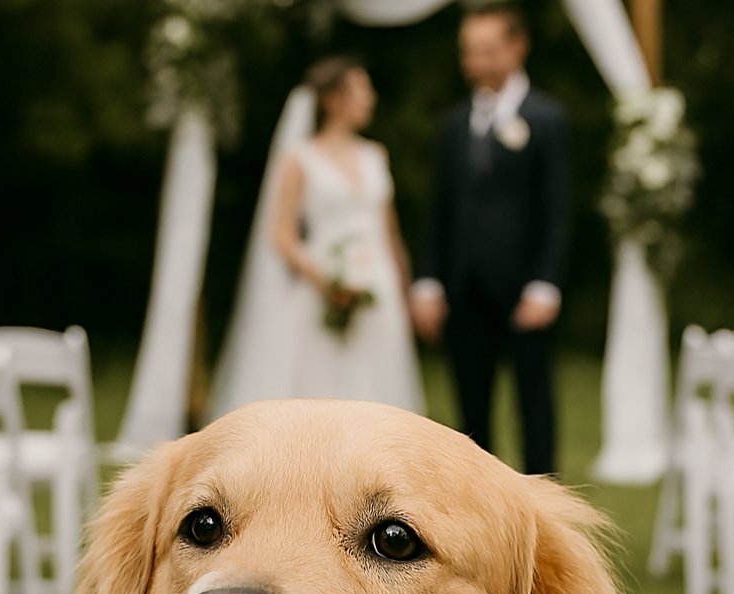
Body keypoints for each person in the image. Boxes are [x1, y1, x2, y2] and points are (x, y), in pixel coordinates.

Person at [209, 58, 424, 419]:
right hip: (321, 284)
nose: (370, 99)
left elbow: (390, 232)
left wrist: (405, 289)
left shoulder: (376, 155)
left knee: (381, 390)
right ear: (333, 99)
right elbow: (281, 234)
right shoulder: (298, 159)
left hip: (378, 287)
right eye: (361, 91)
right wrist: (328, 281)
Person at [411, 2, 569, 475]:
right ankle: (480, 505)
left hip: (525, 288)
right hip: (465, 285)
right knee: (471, 409)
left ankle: (545, 507)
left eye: (486, 50)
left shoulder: (547, 119)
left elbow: (557, 210)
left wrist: (545, 282)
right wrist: (427, 280)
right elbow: (440, 209)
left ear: (517, 47)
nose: (475, 62)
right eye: (468, 51)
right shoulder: (454, 125)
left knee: (534, 403)